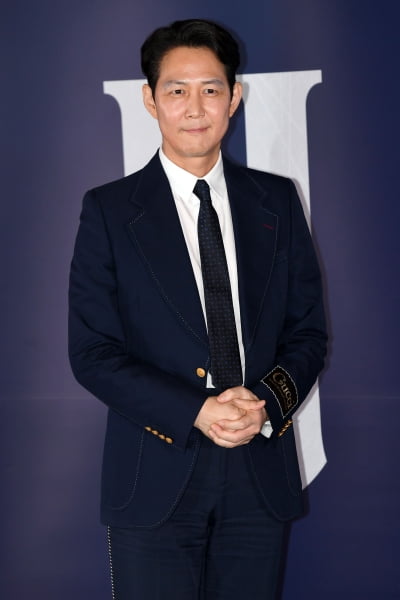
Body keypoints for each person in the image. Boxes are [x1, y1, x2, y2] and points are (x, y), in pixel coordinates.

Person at [68, 18, 327, 600]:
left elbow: (308, 333)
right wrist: (197, 411)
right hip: (154, 469)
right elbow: (92, 353)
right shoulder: (109, 211)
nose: (194, 107)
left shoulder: (277, 200)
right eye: (176, 90)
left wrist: (262, 405)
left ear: (234, 98)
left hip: (258, 470)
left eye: (210, 89)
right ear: (150, 100)